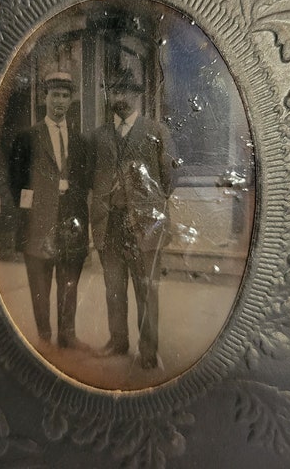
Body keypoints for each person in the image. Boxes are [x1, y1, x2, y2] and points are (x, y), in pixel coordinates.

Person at [90, 70, 176, 369]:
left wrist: (146, 202)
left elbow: (169, 178)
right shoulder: (99, 136)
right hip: (109, 223)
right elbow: (92, 178)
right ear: (108, 96)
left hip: (145, 224)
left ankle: (148, 352)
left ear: (138, 95)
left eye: (127, 91)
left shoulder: (157, 131)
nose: (121, 97)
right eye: (115, 92)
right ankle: (118, 342)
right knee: (113, 288)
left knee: (146, 289)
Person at [8, 72, 90, 349]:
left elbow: (84, 182)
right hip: (38, 221)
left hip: (71, 221)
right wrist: (31, 209)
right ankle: (44, 336)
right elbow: (16, 181)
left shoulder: (79, 141)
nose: (60, 101)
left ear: (71, 100)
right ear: (45, 98)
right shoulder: (28, 138)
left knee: (69, 281)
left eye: (66, 96)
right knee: (40, 283)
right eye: (55, 94)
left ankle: (67, 335)